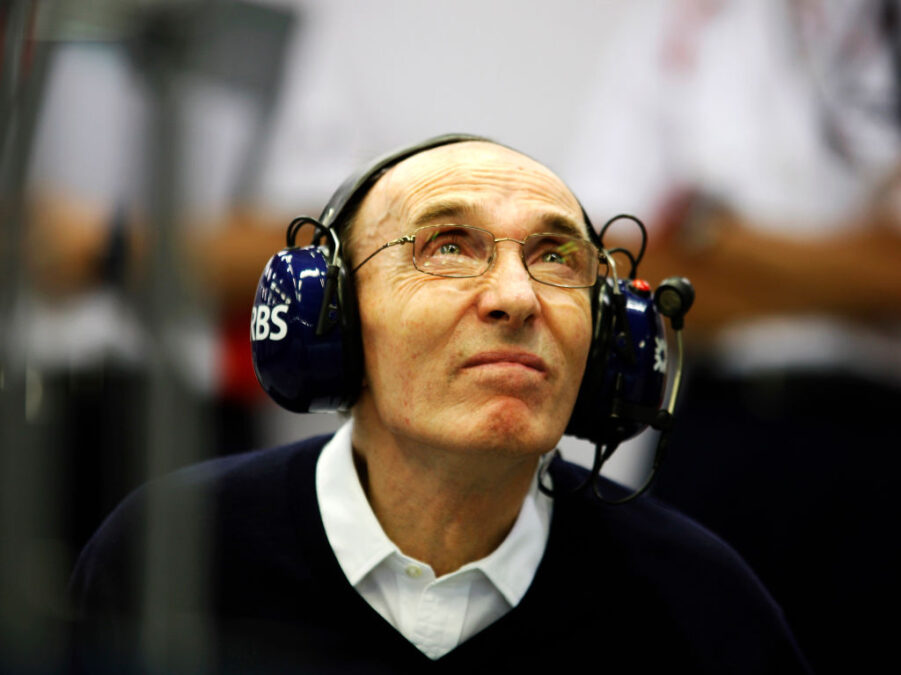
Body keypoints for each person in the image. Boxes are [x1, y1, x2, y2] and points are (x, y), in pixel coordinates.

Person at [69, 136, 810, 673]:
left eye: (556, 258)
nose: (516, 298)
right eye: (447, 246)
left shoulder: (703, 608)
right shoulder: (165, 556)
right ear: (329, 316)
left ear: (612, 339)